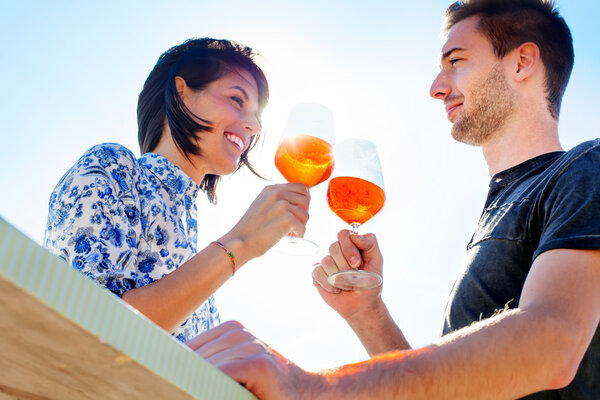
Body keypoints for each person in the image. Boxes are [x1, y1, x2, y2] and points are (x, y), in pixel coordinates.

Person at [187, 1, 600, 398]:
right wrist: (368, 314)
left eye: (455, 62)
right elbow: (449, 391)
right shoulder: (496, 214)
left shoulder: (588, 167)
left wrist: (310, 388)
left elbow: (554, 340)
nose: (437, 88)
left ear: (522, 62)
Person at [44, 38, 311, 342]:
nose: (253, 126)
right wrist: (242, 241)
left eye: (256, 115)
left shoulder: (195, 254)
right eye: (237, 100)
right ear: (182, 93)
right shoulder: (111, 166)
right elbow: (90, 329)